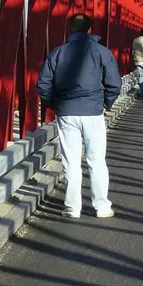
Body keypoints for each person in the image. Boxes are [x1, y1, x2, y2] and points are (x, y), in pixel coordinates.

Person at [37, 13, 121, 219]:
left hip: (67, 112)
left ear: (69, 29)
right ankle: (102, 207)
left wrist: (55, 104)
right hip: (93, 112)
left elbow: (43, 84)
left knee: (71, 161)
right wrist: (106, 103)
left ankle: (72, 208)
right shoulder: (102, 52)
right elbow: (114, 84)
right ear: (90, 30)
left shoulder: (57, 53)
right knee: (97, 160)